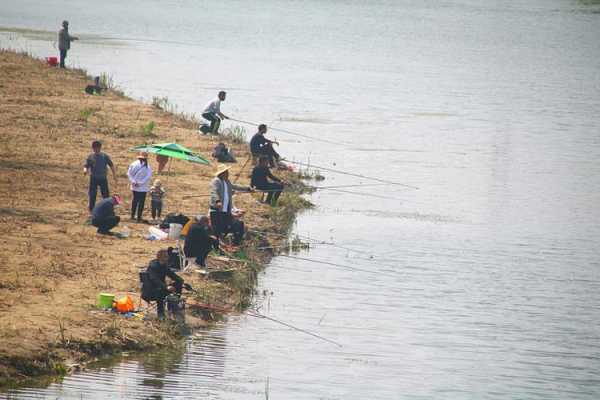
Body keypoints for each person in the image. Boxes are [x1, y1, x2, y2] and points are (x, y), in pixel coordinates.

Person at [209, 164, 252, 245]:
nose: (228, 173)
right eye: (226, 172)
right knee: (217, 230)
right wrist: (217, 201)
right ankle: (216, 246)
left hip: (226, 211)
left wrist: (248, 188)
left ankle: (235, 243)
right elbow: (213, 192)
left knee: (236, 225)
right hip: (217, 211)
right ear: (222, 173)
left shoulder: (227, 182)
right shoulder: (216, 181)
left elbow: (235, 187)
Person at [142, 250, 184, 320]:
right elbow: (155, 280)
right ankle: (160, 314)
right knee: (160, 291)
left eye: (167, 256)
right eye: (165, 256)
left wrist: (181, 281)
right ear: (159, 257)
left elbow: (172, 274)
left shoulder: (164, 265)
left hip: (161, 288)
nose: (167, 258)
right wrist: (166, 287)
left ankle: (175, 305)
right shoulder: (153, 267)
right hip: (150, 291)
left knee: (178, 284)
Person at [84, 140, 117, 213]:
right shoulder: (91, 156)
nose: (95, 149)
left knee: (105, 195)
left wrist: (114, 175)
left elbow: (111, 165)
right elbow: (86, 165)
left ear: (100, 148)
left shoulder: (104, 156)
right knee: (92, 194)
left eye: (97, 148)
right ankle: (91, 209)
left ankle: (108, 209)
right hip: (94, 178)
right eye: (94, 148)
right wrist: (85, 170)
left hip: (103, 178)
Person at [127, 152, 153, 223]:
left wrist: (134, 182)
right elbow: (148, 176)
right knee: (140, 202)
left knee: (135, 201)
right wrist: (139, 183)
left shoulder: (134, 164)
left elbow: (129, 174)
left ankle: (133, 216)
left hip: (137, 186)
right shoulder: (146, 166)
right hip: (142, 187)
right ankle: (138, 217)